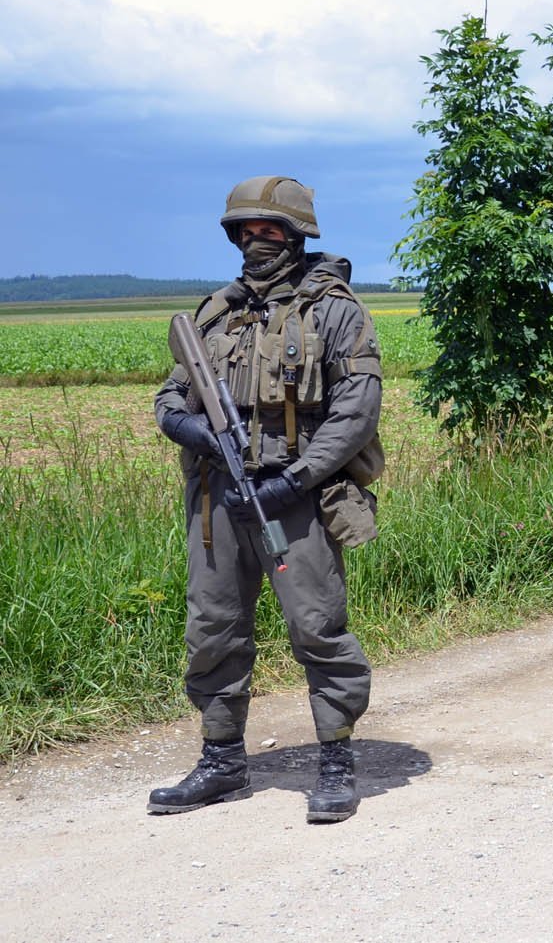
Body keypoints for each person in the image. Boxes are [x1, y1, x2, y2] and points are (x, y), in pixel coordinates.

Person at [150, 176, 383, 823]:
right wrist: (186, 425)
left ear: (298, 234)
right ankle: (222, 759)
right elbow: (170, 395)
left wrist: (297, 478)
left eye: (270, 230)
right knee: (212, 629)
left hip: (296, 499)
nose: (257, 242)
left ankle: (335, 760)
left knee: (316, 626)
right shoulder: (215, 314)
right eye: (246, 231)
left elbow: (355, 414)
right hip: (218, 499)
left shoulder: (336, 312)